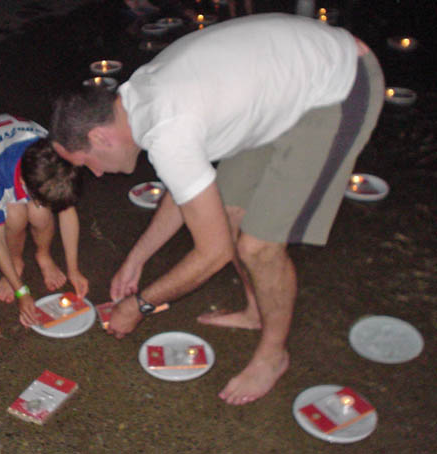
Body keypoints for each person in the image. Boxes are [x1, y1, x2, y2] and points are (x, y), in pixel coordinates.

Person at [50, 13, 384, 405]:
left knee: (257, 247)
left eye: (86, 161)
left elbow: (215, 252)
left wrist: (139, 305)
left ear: (99, 136)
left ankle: (273, 356)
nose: (97, 174)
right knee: (226, 214)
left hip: (337, 88)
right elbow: (186, 187)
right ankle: (256, 311)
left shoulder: (167, 127)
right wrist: (137, 257)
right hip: (285, 88)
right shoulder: (138, 96)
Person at [0, 114, 88, 327]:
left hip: (21, 135)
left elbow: (67, 213)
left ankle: (43, 255)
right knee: (15, 216)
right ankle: (16, 260)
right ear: (23, 182)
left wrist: (74, 269)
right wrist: (21, 291)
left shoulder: (58, 160)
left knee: (40, 212)